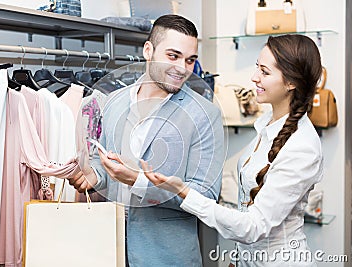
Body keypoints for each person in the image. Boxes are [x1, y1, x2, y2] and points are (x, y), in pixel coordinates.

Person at [141, 34, 323, 266]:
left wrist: (184, 192)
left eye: (265, 72)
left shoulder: (302, 147)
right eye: (257, 67)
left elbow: (254, 227)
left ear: (291, 82)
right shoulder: (267, 124)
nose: (254, 78)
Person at [69, 14, 224, 266]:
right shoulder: (114, 102)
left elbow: (205, 196)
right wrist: (94, 177)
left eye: (190, 60)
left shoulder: (204, 115)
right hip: (109, 250)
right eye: (173, 56)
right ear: (148, 50)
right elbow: (103, 163)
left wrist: (137, 181)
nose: (182, 68)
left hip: (166, 257)